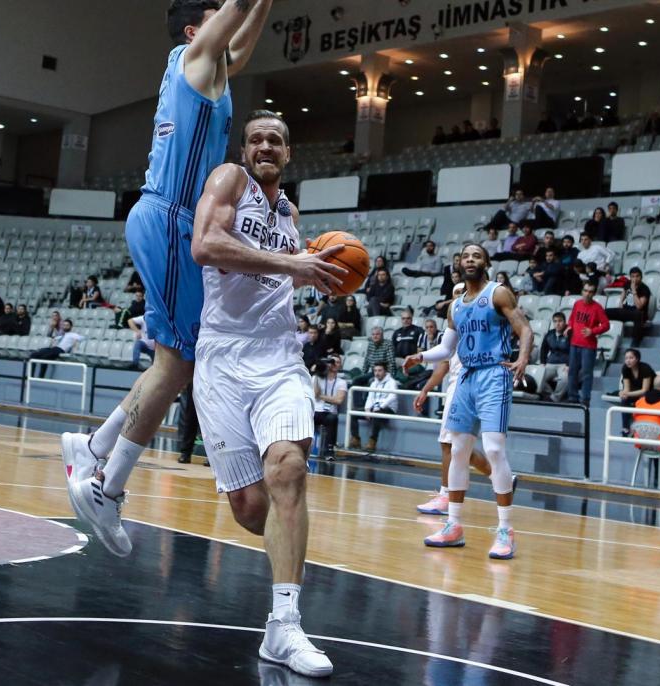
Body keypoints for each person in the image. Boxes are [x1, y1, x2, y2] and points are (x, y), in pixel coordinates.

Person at [60, 0, 276, 559]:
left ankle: (92, 446)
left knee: (170, 361)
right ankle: (106, 487)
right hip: (173, 215)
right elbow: (230, 25)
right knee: (179, 362)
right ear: (193, 27)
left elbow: (243, 46)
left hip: (165, 216)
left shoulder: (214, 72)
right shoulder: (193, 57)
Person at [188, 110, 339, 678]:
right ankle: (287, 549)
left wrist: (311, 273)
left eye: (276, 139)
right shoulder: (229, 181)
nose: (265, 146)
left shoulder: (289, 212)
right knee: (254, 509)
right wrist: (289, 262)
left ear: (288, 152)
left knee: (288, 470)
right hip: (223, 359)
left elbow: (278, 273)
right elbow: (206, 244)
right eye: (256, 138)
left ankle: (285, 624)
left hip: (278, 357)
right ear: (246, 149)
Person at [403, 243, 532, 559]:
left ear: (486, 262)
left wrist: (523, 358)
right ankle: (454, 526)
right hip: (466, 378)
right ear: (458, 264)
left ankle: (505, 530)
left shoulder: (498, 293)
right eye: (465, 256)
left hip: (494, 374)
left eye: (477, 255)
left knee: (494, 449)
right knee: (458, 450)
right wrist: (420, 356)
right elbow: (446, 350)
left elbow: (525, 328)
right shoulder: (455, 306)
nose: (470, 259)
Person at [413, 281, 494, 517]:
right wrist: (426, 389)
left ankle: (445, 495)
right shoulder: (453, 330)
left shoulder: (476, 323)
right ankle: (501, 477)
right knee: (459, 447)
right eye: (454, 295)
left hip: (467, 385)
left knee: (449, 444)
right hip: (455, 385)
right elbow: (443, 364)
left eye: (462, 294)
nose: (457, 298)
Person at [566, 282, 609, 406]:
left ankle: (585, 399)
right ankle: (572, 396)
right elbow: (572, 319)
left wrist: (593, 331)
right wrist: (569, 327)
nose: (587, 294)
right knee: (572, 371)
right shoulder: (577, 303)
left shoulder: (597, 307)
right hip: (574, 343)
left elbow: (606, 325)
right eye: (585, 290)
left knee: (586, 373)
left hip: (588, 346)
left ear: (594, 293)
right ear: (582, 291)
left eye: (590, 291)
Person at [349, 361, 397, 451]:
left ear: (385, 371)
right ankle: (355, 439)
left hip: (388, 409)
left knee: (377, 414)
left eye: (379, 370)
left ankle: (372, 441)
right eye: (375, 371)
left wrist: (380, 407)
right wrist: (367, 409)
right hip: (374, 408)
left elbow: (392, 397)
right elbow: (370, 398)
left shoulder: (392, 382)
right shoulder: (373, 383)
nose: (377, 373)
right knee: (354, 412)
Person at [604, 267, 651, 348]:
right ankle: (604, 337)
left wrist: (634, 291)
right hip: (625, 311)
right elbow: (624, 292)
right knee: (604, 312)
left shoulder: (645, 289)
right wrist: (620, 302)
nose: (635, 279)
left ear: (641, 277)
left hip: (638, 313)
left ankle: (636, 341)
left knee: (638, 314)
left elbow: (639, 306)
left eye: (637, 276)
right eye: (633, 276)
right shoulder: (627, 283)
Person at [312, 356, 348, 459]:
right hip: (315, 410)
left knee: (332, 419)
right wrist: (317, 373)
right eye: (331, 362)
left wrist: (321, 396)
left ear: (340, 365)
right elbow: (315, 394)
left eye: (336, 362)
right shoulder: (317, 377)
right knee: (304, 416)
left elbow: (338, 400)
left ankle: (329, 450)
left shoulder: (342, 382)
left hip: (329, 412)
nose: (333, 364)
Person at [618, 348, 655, 432]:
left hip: (649, 391)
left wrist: (627, 394)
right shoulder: (625, 368)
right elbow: (626, 389)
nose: (628, 361)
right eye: (626, 358)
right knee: (624, 400)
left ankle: (640, 427)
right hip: (634, 391)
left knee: (642, 399)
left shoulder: (645, 368)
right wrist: (623, 393)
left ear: (637, 359)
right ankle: (625, 428)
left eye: (631, 358)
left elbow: (645, 390)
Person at [539, 312, 571, 400]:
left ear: (565, 322)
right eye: (555, 321)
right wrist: (543, 362)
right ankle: (550, 393)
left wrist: (569, 365)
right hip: (551, 363)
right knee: (538, 375)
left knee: (566, 378)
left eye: (560, 321)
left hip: (564, 364)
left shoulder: (570, 333)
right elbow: (543, 349)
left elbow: (574, 351)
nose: (558, 323)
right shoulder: (550, 334)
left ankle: (555, 398)